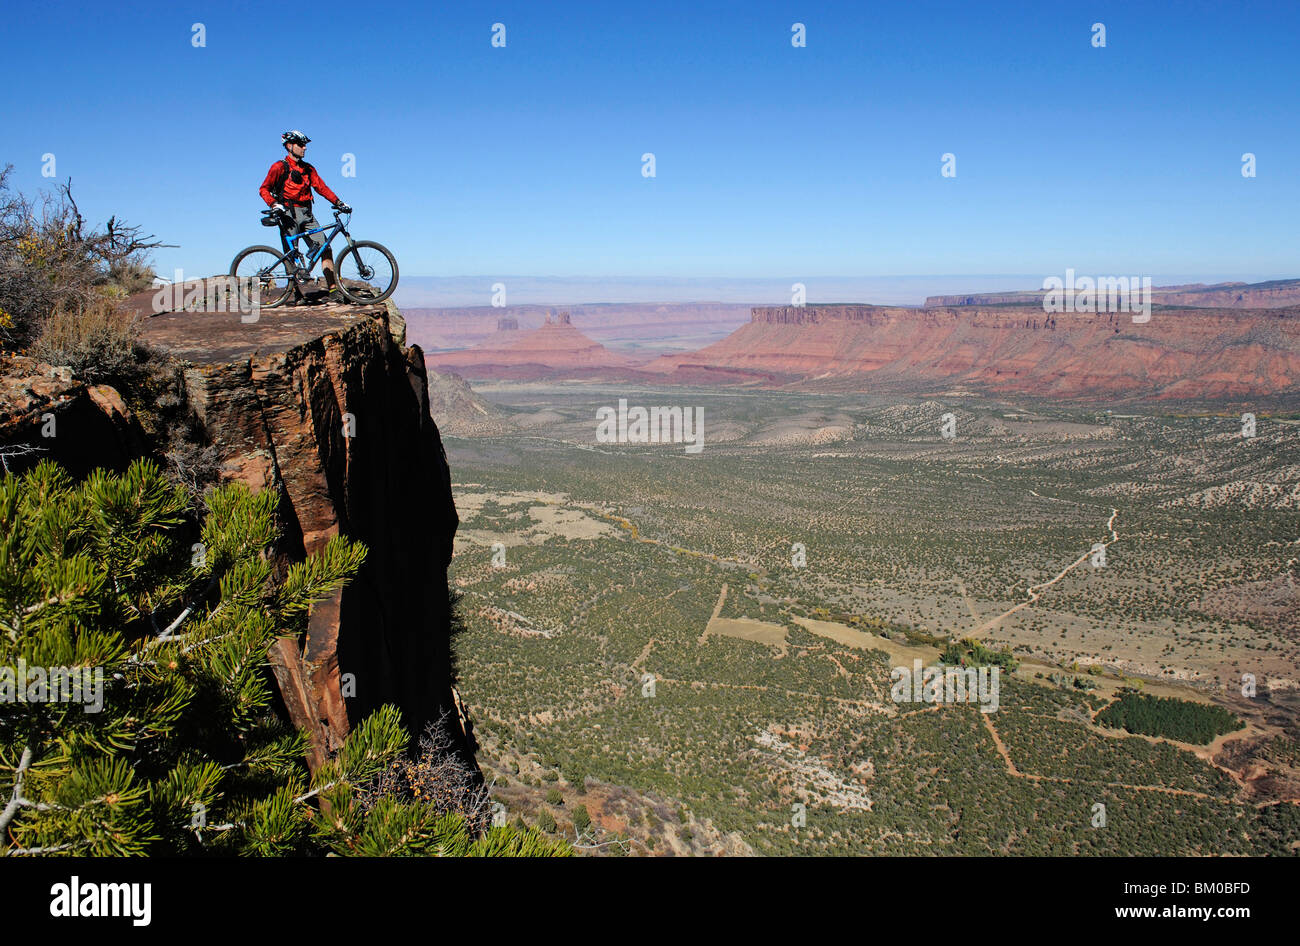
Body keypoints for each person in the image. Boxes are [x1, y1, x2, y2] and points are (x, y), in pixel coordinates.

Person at [259, 130, 351, 304]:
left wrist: (339, 202)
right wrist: (273, 204)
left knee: (325, 248)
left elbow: (321, 187)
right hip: (287, 213)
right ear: (289, 146)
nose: (304, 148)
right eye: (301, 145)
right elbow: (264, 189)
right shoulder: (279, 167)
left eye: (304, 145)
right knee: (291, 254)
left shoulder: (308, 169)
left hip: (307, 214)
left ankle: (332, 290)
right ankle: (296, 293)